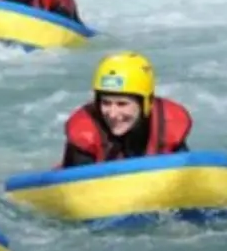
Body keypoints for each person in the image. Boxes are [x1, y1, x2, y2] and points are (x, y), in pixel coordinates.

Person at [61, 52, 193, 167]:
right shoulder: (84, 134)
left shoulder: (168, 125)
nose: (112, 114)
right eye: (106, 103)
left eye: (122, 104)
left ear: (146, 103)